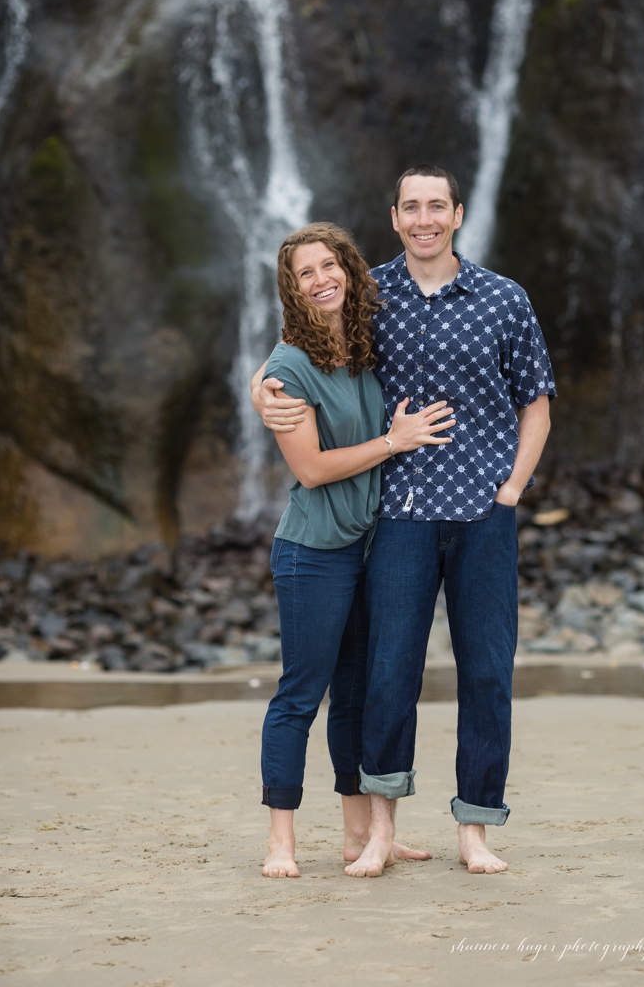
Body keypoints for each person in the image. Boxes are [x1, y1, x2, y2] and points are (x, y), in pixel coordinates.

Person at [253, 165, 555, 877]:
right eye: (411, 207)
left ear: (456, 214)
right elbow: (300, 350)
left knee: (488, 673)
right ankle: (381, 829)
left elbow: (535, 402)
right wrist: (260, 394)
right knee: (389, 674)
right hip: (398, 515)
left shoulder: (504, 299)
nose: (424, 218)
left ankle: (476, 828)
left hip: (484, 514)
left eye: (436, 207)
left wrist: (513, 487)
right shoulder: (368, 297)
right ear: (394, 218)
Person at [259, 222, 454, 879]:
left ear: (348, 268)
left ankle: (357, 835)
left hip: (370, 547)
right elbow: (311, 469)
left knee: (355, 696)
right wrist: (395, 442)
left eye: (328, 266)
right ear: (293, 289)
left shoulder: (366, 344)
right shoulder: (289, 365)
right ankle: (281, 844)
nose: (321, 280)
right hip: (313, 551)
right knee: (300, 693)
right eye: (305, 274)